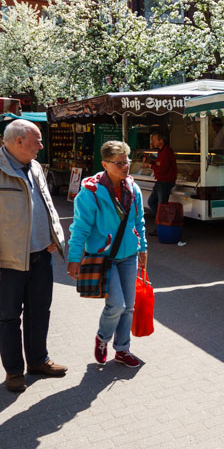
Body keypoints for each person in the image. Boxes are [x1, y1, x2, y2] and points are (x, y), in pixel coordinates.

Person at [0, 119, 68, 393]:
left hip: (40, 256)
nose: (41, 145)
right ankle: (14, 371)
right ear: (18, 141)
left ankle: (38, 361)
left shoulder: (34, 166)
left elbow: (48, 205)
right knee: (9, 317)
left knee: (39, 312)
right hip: (8, 261)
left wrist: (54, 237)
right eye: (36, 140)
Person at [67, 141, 148, 368]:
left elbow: (139, 220)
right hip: (103, 258)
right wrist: (74, 259)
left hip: (129, 255)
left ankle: (122, 350)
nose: (126, 167)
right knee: (118, 305)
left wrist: (143, 247)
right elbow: (80, 227)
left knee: (129, 306)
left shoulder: (133, 188)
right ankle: (102, 338)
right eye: (119, 163)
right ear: (105, 164)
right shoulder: (90, 192)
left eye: (127, 161)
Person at [142, 130, 177, 236]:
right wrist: (151, 162)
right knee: (152, 202)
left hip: (165, 181)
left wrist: (149, 166)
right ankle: (162, 224)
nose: (153, 142)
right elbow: (159, 165)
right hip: (160, 181)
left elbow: (163, 169)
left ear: (161, 141)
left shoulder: (166, 151)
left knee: (161, 205)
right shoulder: (161, 151)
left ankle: (163, 227)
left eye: (154, 140)